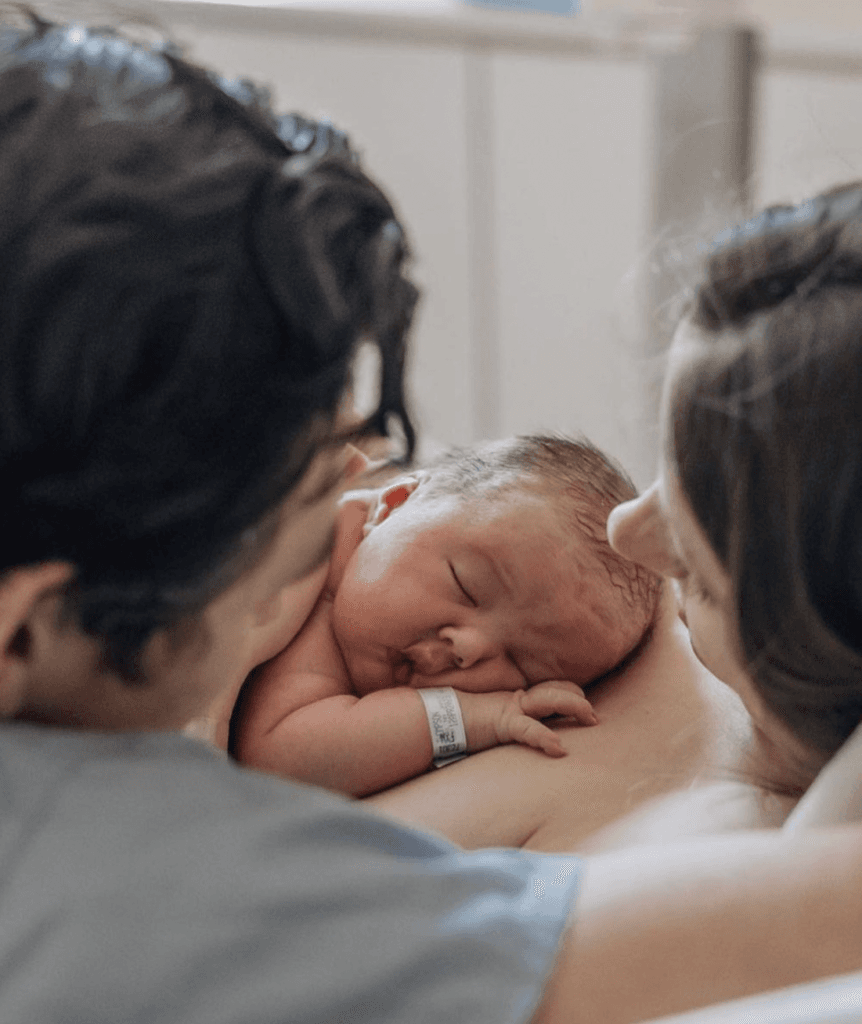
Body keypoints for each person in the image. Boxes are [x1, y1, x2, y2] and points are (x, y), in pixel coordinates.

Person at [2, 13, 862, 1024]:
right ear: (25, 621)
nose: (358, 501)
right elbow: (770, 927)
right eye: (315, 488)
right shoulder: (149, 894)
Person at [229, 435, 660, 797]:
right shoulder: (315, 559)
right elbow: (280, 762)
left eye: (524, 665)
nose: (470, 649)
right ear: (393, 505)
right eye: (467, 586)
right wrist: (476, 719)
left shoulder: (367, 602)